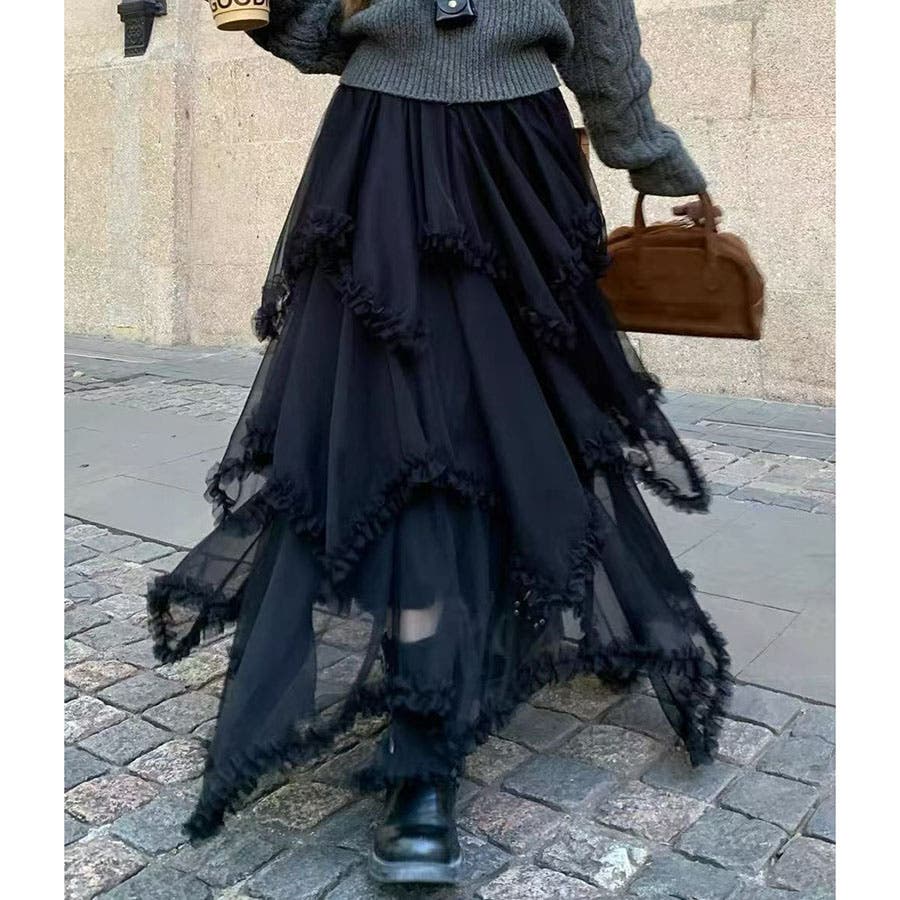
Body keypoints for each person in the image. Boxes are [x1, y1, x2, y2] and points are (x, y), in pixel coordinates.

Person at [148, 0, 731, 885]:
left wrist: (646, 149)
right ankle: (422, 746)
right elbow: (315, 34)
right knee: (403, 439)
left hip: (518, 156)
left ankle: (497, 627)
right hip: (383, 147)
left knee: (523, 419)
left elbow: (598, 25)